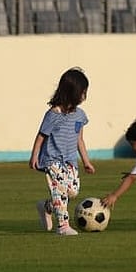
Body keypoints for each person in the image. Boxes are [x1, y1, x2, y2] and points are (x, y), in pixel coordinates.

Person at [31, 67, 96, 236]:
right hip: (53, 160)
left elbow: (79, 140)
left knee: (72, 191)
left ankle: (46, 206)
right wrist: (34, 156)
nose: (84, 96)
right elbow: (41, 136)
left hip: (70, 160)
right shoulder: (54, 114)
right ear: (72, 92)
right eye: (82, 92)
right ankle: (63, 226)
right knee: (60, 191)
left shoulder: (80, 115)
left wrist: (86, 161)